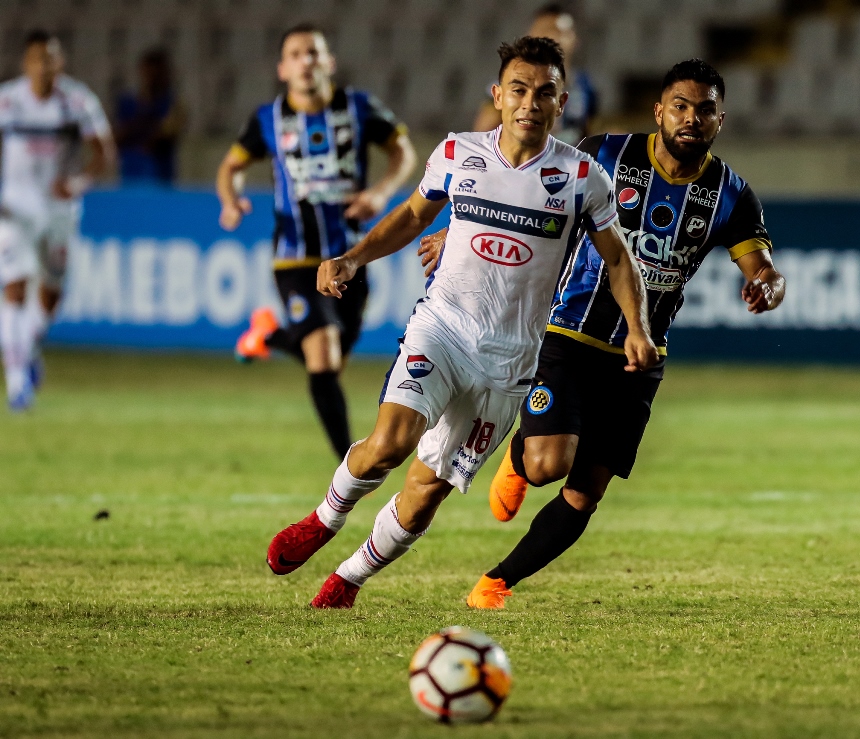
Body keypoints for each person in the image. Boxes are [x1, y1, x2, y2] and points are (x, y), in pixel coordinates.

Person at [265, 36, 659, 609]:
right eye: (518, 90)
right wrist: (354, 257)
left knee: (424, 495)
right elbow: (411, 216)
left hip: (510, 363)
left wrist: (638, 328)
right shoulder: (456, 154)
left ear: (561, 102)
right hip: (442, 329)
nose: (530, 103)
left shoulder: (580, 178)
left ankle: (348, 577)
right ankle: (325, 519)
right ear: (498, 96)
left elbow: (617, 256)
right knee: (389, 445)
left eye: (544, 93)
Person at [424, 59, 787, 609]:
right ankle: (521, 454)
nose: (692, 118)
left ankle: (495, 582)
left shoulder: (732, 195)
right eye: (681, 107)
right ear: (659, 110)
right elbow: (520, 190)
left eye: (705, 110)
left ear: (720, 120)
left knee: (585, 492)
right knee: (549, 466)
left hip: (641, 355)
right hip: (567, 333)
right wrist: (456, 225)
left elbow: (761, 267)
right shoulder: (602, 154)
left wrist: (769, 284)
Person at [216, 23, 417, 461]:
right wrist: (230, 201)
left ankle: (269, 335)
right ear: (282, 68)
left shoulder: (358, 107)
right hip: (295, 258)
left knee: (331, 359)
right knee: (323, 358)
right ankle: (348, 465)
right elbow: (229, 167)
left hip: (349, 255)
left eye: (314, 53)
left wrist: (380, 193)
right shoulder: (267, 119)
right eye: (296, 54)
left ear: (329, 63)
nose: (306, 61)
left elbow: (404, 150)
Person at [0, 30, 116, 412]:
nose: (44, 67)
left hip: (58, 210)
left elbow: (104, 151)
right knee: (14, 286)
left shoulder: (77, 100)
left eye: (50, 59)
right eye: (37, 59)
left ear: (59, 63)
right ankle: (17, 383)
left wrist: (79, 182)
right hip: (14, 207)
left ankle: (28, 346)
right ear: (26, 64)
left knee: (51, 293)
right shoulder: (8, 101)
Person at [473, 3, 597, 144]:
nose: (553, 37)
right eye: (546, 30)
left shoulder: (584, 85)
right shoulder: (509, 83)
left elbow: (587, 132)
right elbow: (483, 135)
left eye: (560, 31)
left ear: (575, 39)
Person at [114, 47, 187, 184]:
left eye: (158, 73)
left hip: (160, 176)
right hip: (130, 174)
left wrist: (138, 129)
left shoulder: (174, 105)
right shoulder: (127, 103)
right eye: (149, 72)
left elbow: (161, 137)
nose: (153, 77)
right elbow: (116, 138)